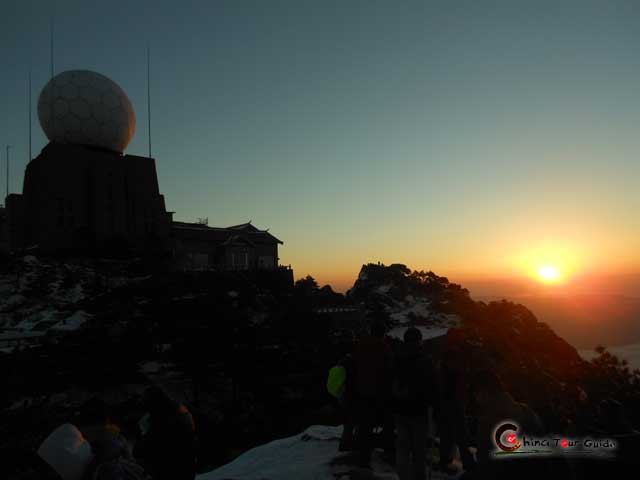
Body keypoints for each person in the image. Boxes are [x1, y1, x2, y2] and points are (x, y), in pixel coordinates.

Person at [391, 327, 436, 480]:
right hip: (419, 411)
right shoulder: (425, 360)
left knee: (402, 447)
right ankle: (419, 476)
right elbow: (431, 386)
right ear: (419, 341)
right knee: (419, 449)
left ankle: (403, 476)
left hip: (399, 409)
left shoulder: (396, 357)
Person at [352, 319, 394, 467]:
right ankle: (389, 453)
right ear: (382, 334)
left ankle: (363, 458)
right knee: (388, 423)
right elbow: (389, 370)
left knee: (365, 426)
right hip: (379, 393)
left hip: (362, 391)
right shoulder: (383, 347)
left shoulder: (359, 346)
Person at [436, 327, 475, 475]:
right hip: (454, 402)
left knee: (448, 434)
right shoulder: (455, 354)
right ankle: (468, 464)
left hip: (446, 401)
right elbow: (457, 378)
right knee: (460, 434)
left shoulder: (446, 353)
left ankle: (445, 462)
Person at [134, 386, 197, 480]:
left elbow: (145, 446)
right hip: (184, 463)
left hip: (174, 465)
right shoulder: (175, 409)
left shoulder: (167, 419)